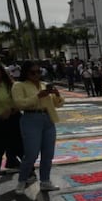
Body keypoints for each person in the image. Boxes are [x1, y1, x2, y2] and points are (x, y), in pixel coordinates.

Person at [11, 60, 64, 193]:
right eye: (32, 72)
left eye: (39, 72)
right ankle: (22, 180)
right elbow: (19, 104)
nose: (36, 75)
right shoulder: (19, 85)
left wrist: (57, 95)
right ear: (26, 73)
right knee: (31, 154)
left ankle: (45, 181)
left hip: (48, 119)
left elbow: (58, 104)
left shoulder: (43, 85)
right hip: (30, 118)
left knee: (48, 154)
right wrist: (38, 96)